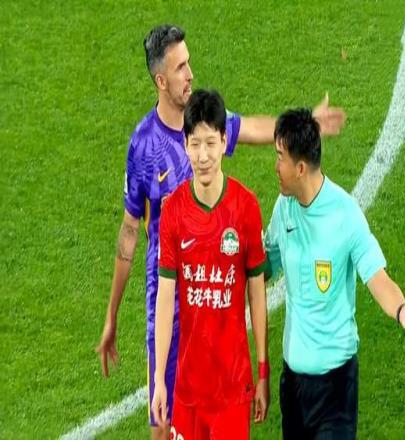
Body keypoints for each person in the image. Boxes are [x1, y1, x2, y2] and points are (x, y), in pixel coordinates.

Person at [95, 24, 345, 440]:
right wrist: (112, 316)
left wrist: (304, 125)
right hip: (171, 304)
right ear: (160, 80)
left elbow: (253, 129)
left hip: (212, 303)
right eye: (180, 67)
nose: (190, 73)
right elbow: (129, 233)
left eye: (189, 62)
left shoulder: (206, 123)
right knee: (163, 427)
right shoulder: (143, 146)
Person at [264, 108, 405, 439]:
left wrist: (401, 309)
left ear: (300, 168)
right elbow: (265, 267)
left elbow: (377, 278)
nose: (275, 166)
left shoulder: (345, 214)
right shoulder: (284, 208)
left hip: (335, 388)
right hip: (293, 385)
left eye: (280, 157)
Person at [152, 89, 269, 439]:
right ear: (185, 145)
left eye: (211, 143)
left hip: (232, 390)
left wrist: (263, 371)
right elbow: (164, 299)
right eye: (195, 144)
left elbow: (257, 294)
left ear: (224, 142)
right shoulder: (173, 212)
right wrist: (159, 379)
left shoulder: (245, 207)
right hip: (188, 391)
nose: (203, 156)